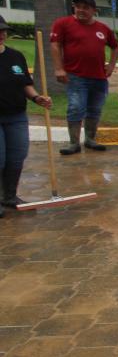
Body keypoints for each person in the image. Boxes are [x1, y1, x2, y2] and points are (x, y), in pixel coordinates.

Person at [49, 0, 118, 155]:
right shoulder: (63, 24)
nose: (81, 10)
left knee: (95, 109)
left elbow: (115, 47)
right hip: (76, 75)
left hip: (99, 77)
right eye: (78, 6)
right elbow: (55, 45)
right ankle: (74, 143)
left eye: (86, 7)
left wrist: (111, 65)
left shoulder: (103, 28)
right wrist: (59, 68)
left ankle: (90, 139)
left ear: (94, 10)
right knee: (76, 107)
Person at [0, 15, 53, 215]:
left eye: (3, 30)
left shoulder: (15, 56)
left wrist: (37, 98)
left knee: (16, 157)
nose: (2, 34)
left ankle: (9, 196)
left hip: (16, 115)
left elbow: (25, 84)